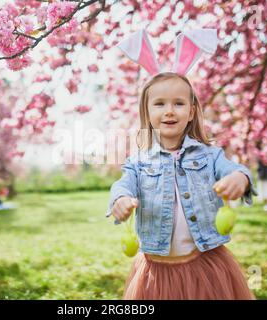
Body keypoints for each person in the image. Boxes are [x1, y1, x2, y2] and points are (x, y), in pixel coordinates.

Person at [105, 28, 258, 300]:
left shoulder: (209, 156)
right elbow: (122, 185)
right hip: (156, 270)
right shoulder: (138, 163)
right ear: (147, 112)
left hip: (205, 263)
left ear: (191, 112)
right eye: (160, 104)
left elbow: (235, 170)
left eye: (178, 103)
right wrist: (120, 199)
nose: (169, 111)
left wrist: (240, 179)